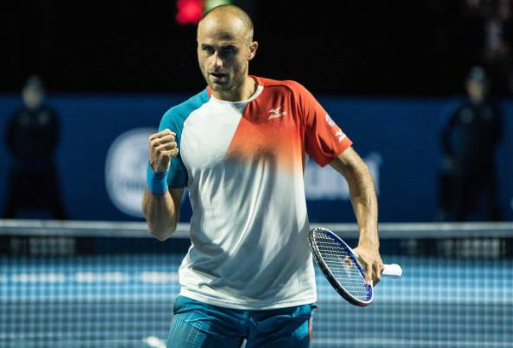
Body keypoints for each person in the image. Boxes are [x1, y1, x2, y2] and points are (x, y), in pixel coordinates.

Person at [141, 5, 384, 347]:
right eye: (206, 50)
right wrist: (156, 176)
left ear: (251, 49)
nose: (215, 63)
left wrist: (369, 241)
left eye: (228, 51)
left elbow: (357, 171)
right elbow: (161, 229)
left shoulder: (292, 99)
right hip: (207, 298)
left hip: (285, 304)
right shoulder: (180, 120)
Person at [437, 66, 503, 221]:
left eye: (481, 83)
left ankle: (497, 239)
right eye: (475, 83)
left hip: (485, 163)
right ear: (468, 85)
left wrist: (485, 151)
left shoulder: (492, 108)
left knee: (490, 202)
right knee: (459, 202)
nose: (478, 88)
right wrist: (450, 155)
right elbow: (443, 132)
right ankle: (456, 238)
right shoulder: (461, 106)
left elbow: (498, 135)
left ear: (487, 85)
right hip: (464, 163)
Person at [2, 75, 67, 220]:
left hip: (44, 168)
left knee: (55, 203)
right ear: (24, 94)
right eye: (30, 92)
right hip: (21, 168)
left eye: (36, 93)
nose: (33, 96)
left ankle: (69, 237)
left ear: (42, 95)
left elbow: (54, 139)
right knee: (11, 204)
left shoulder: (49, 115)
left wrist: (41, 157)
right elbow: (9, 140)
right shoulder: (17, 116)